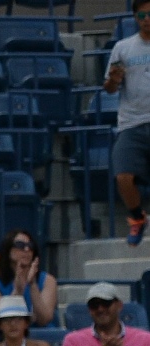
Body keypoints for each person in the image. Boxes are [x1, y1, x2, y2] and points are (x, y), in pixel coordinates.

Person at [104, 0, 150, 246]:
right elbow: (110, 88)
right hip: (132, 123)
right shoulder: (123, 48)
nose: (147, 19)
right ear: (135, 17)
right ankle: (136, 218)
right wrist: (113, 79)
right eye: (143, 14)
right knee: (123, 175)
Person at [0, 229, 56, 326]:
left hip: (42, 337)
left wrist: (33, 285)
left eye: (30, 246)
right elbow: (1, 321)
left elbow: (44, 320)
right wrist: (17, 291)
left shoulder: (48, 280)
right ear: (8, 251)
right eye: (20, 245)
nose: (26, 249)